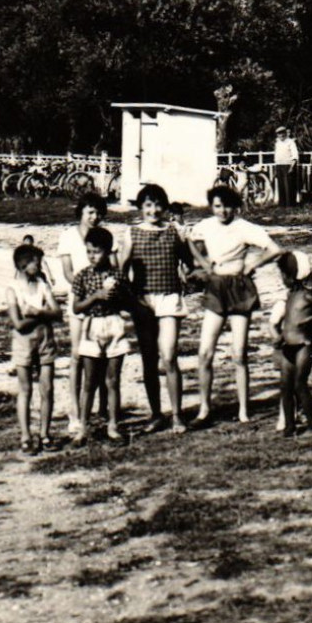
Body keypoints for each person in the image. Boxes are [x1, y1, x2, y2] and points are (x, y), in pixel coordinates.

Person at [188, 184, 283, 426]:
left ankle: (243, 411)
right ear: (212, 207)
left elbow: (274, 249)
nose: (223, 211)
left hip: (239, 288)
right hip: (216, 286)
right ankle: (204, 409)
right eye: (217, 206)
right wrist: (204, 264)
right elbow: (190, 240)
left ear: (235, 207)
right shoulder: (205, 226)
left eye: (227, 206)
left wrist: (253, 266)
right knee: (205, 352)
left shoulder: (244, 228)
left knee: (239, 353)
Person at [118, 183, 187, 432]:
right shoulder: (131, 233)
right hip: (144, 302)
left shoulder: (174, 231)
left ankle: (177, 415)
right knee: (149, 359)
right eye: (148, 205)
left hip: (169, 297)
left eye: (158, 205)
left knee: (169, 356)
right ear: (141, 208)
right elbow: (122, 270)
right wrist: (130, 299)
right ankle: (156, 414)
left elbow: (187, 260)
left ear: (164, 207)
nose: (154, 210)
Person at [68, 227, 130, 447]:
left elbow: (127, 303)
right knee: (89, 382)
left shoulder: (117, 275)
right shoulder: (83, 275)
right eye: (89, 252)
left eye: (96, 252)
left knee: (112, 380)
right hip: (92, 327)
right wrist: (96, 296)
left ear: (107, 251)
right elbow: (76, 307)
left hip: (113, 324)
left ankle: (113, 425)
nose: (92, 256)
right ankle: (83, 427)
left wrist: (117, 296)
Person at [57, 195, 109, 440]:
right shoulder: (68, 236)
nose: (94, 217)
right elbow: (68, 272)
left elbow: (113, 266)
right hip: (79, 302)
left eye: (98, 212)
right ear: (81, 212)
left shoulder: (104, 237)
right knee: (77, 355)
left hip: (103, 306)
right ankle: (74, 412)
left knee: (101, 356)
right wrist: (87, 291)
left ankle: (100, 409)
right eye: (90, 211)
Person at [269, 251, 312, 437]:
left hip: (304, 346)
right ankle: (290, 425)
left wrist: (311, 319)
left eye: (284, 275)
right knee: (285, 386)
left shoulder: (307, 295)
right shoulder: (291, 295)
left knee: (300, 384)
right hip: (289, 346)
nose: (282, 279)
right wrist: (281, 338)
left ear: (294, 275)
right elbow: (289, 322)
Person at [6, 242, 61, 454]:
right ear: (23, 264)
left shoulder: (41, 285)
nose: (39, 267)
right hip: (23, 343)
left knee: (47, 389)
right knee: (25, 390)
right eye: (36, 263)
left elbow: (57, 313)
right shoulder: (13, 289)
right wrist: (43, 313)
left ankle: (45, 434)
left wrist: (35, 313)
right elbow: (17, 324)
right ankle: (26, 436)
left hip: (45, 340)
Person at [273, 127, 301, 207]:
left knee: (289, 185)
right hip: (279, 165)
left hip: (288, 165)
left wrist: (292, 167)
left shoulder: (290, 142)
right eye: (279, 133)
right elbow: (277, 155)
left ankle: (291, 205)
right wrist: (276, 167)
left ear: (285, 133)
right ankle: (282, 205)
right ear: (277, 135)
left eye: (282, 133)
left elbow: (295, 155)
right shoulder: (277, 143)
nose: (281, 135)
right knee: (281, 185)